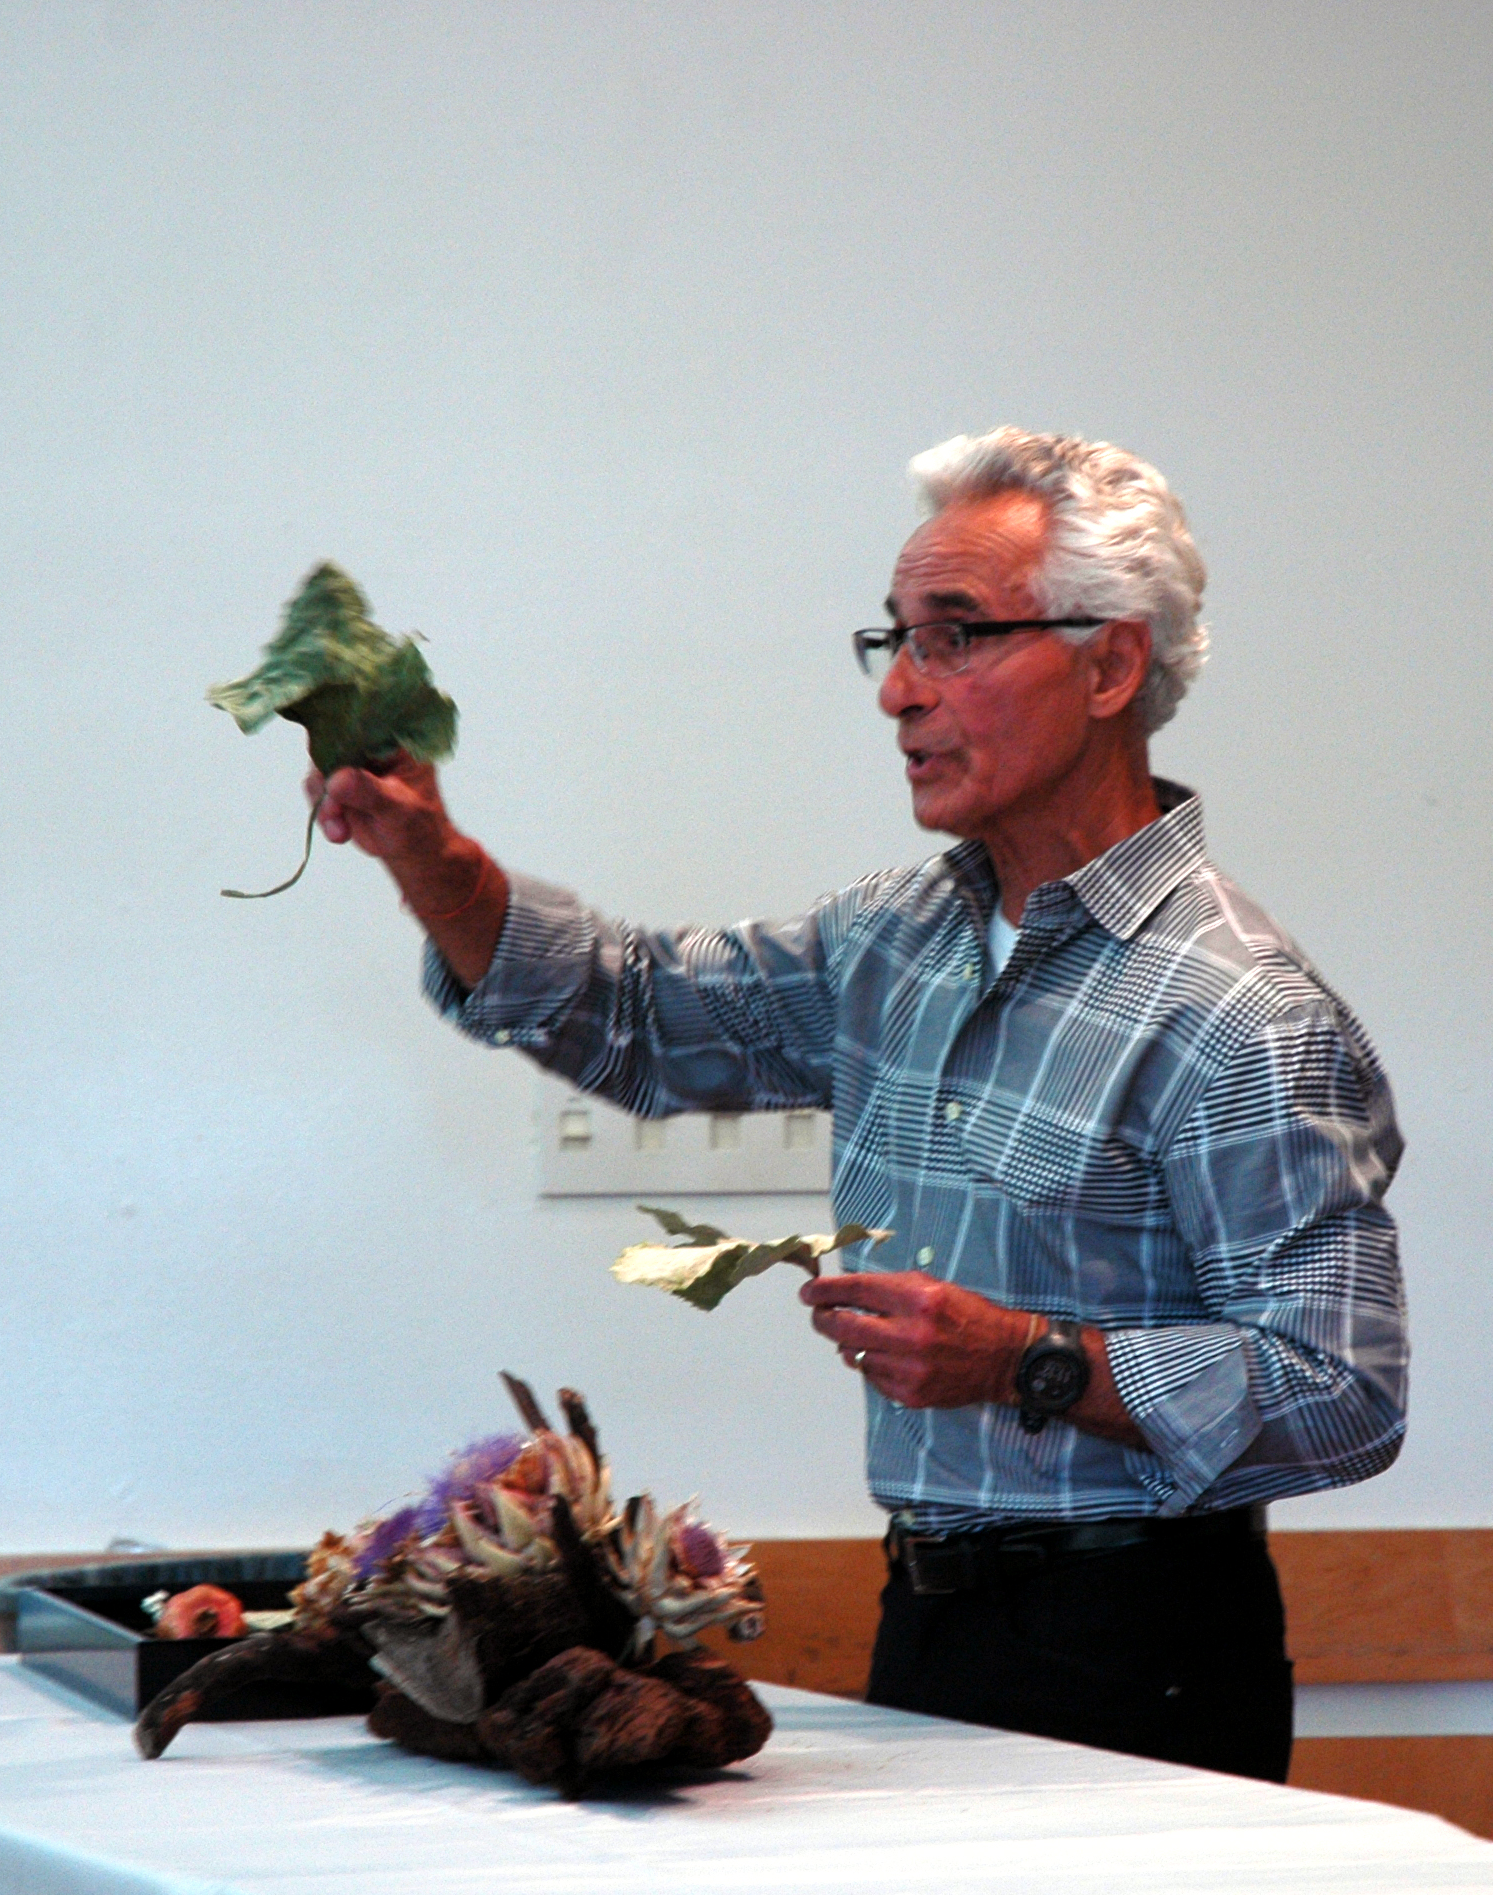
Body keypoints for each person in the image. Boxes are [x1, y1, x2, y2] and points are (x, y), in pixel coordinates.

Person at [312, 428, 1408, 1783]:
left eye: (955, 637)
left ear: (1110, 666)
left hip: (1145, 1643)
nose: (899, 691)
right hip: (928, 1620)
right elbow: (636, 1014)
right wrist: (430, 858)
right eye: (893, 639)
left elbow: (1344, 1393)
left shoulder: (1240, 1010)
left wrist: (1029, 1360)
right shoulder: (892, 941)